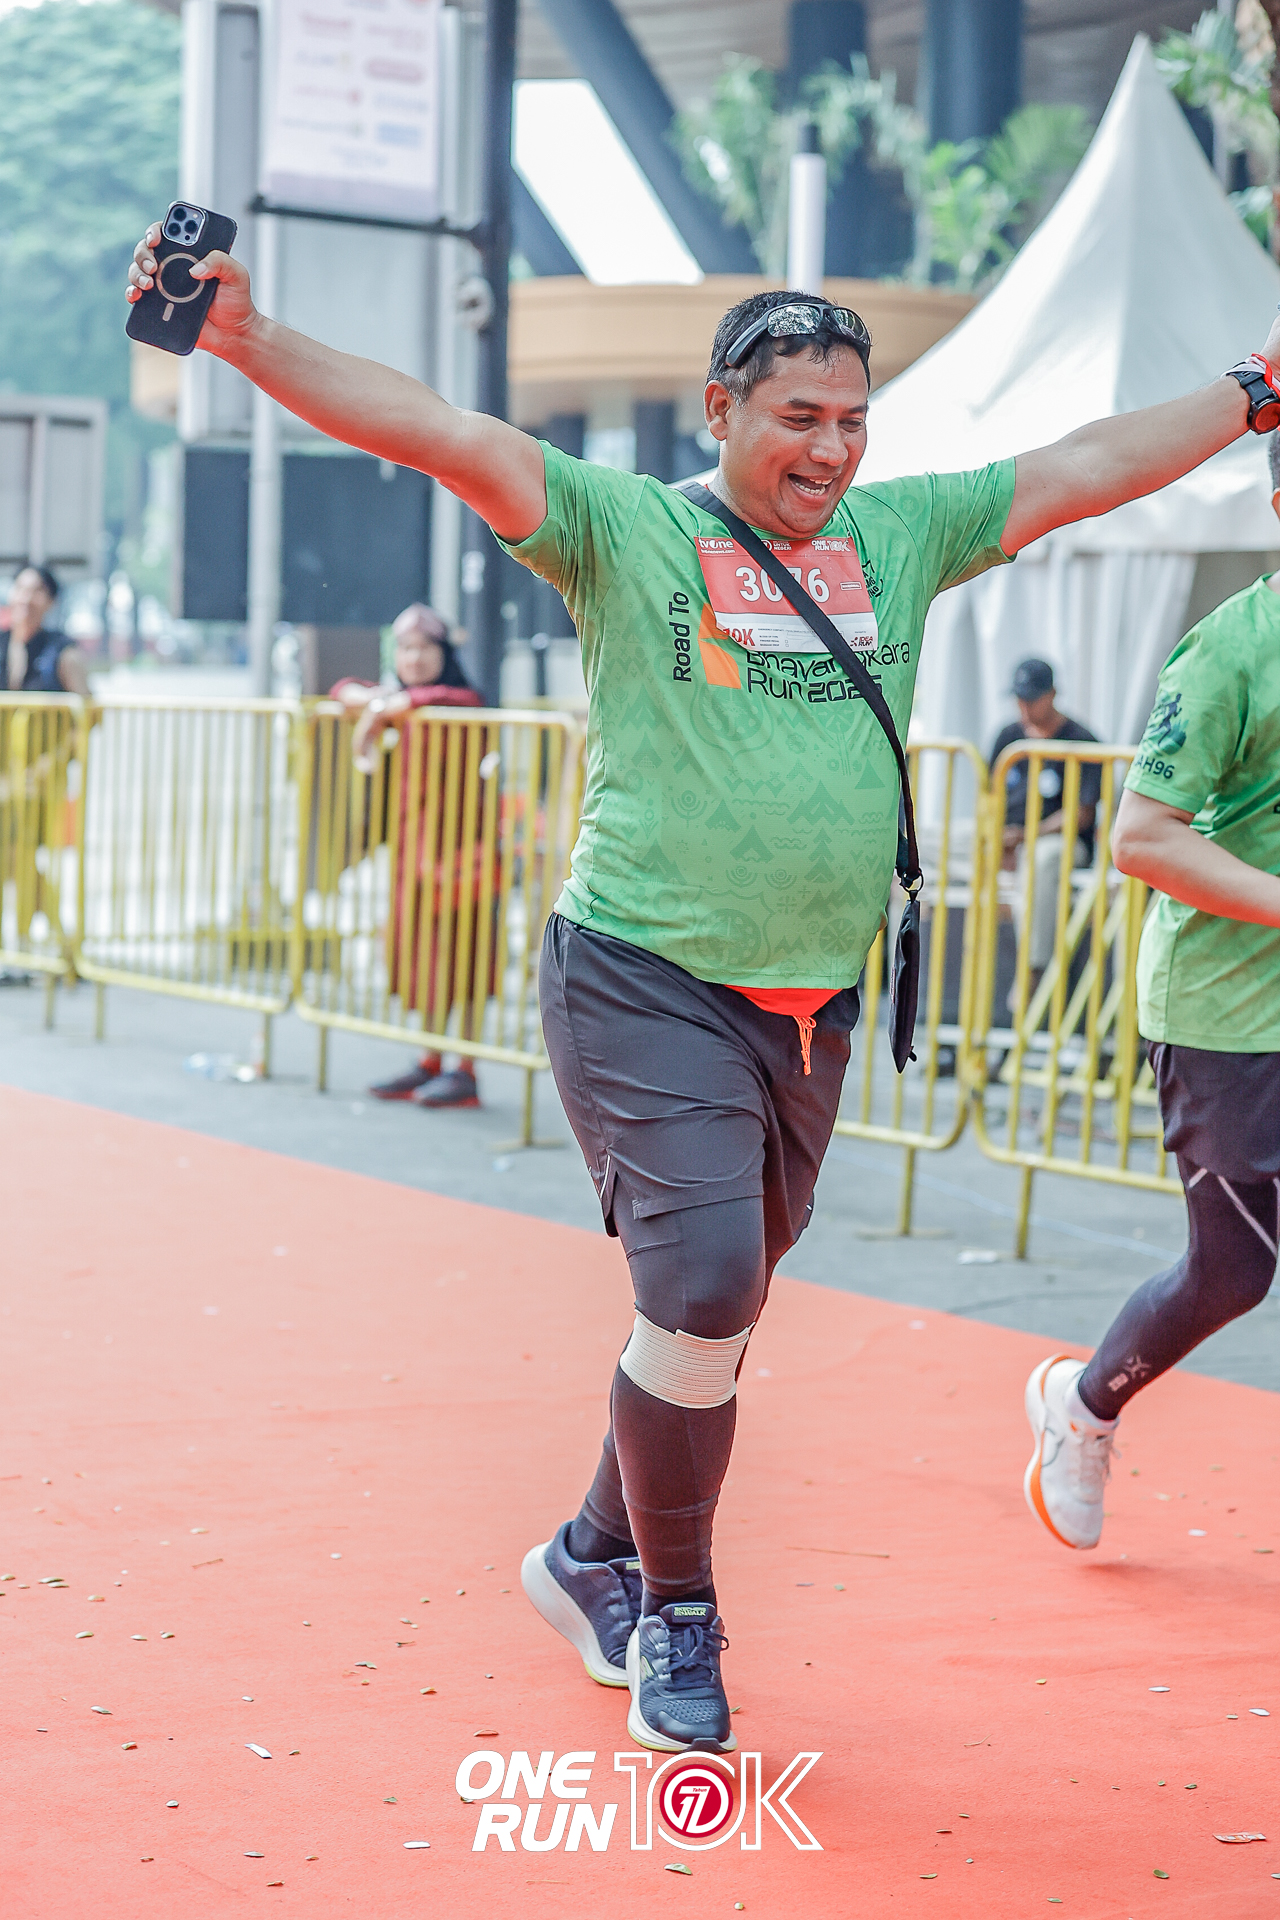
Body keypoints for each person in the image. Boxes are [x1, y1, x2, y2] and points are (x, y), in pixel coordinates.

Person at [125, 216, 1280, 1753]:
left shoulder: (902, 536)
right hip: (641, 978)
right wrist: (245, 339)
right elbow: (438, 429)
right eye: (800, 416)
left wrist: (1254, 388)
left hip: (811, 1007)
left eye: (854, 419)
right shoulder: (625, 529)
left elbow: (1090, 466)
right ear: (722, 407)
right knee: (706, 1285)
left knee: (710, 1321)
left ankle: (588, 1551)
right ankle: (675, 1612)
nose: (833, 449)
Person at [1024, 431, 1280, 1553]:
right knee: (1233, 1272)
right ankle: (1081, 1407)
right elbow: (1140, 838)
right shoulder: (1229, 651)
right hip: (1227, 1011)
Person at [330, 603, 487, 1111]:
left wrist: (393, 705)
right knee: (423, 959)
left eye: (424, 647)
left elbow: (460, 698)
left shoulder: (458, 701)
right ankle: (430, 1059)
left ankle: (465, 1068)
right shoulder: (400, 702)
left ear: (444, 653)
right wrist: (380, 703)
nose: (413, 658)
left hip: (463, 854)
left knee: (465, 960)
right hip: (413, 856)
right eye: (404, 648)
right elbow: (341, 690)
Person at [990, 658, 1100, 1001]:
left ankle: (1033, 968)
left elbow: (1080, 815)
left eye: (1031, 698)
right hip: (1010, 839)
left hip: (1061, 843)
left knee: (1041, 858)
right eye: (1019, 698)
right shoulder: (1008, 737)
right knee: (938, 842)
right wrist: (996, 838)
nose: (1023, 707)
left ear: (1051, 695)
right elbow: (988, 798)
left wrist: (1024, 837)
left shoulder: (1082, 740)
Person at [2, 566, 90, 695]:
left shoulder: (62, 652)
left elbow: (85, 701)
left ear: (51, 601)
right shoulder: (3, 643)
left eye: (36, 591)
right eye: (20, 588)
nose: (25, 599)